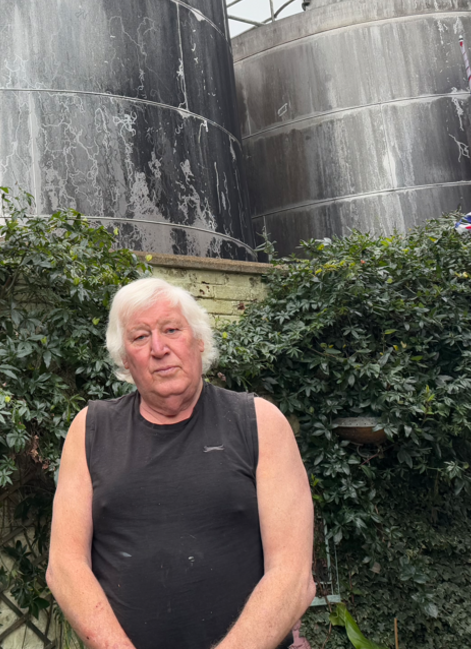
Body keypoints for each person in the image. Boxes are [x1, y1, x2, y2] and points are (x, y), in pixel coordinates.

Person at [46, 277, 315, 649]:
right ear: (125, 359)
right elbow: (65, 567)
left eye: (171, 329)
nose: (159, 348)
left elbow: (293, 574)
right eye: (140, 337)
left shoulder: (260, 423)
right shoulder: (89, 429)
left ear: (199, 340)